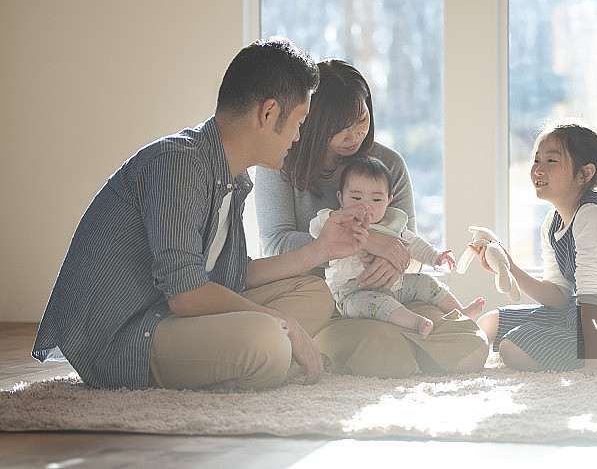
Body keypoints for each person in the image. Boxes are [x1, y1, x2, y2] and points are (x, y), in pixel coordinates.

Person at [32, 38, 373, 391]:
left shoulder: (231, 177)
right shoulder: (179, 164)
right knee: (268, 339)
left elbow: (233, 274)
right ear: (268, 113)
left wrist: (322, 250)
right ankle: (266, 363)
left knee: (314, 292)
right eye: (299, 122)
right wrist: (283, 324)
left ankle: (252, 366)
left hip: (171, 315)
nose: (299, 136)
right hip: (128, 337)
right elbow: (187, 294)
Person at [254, 59, 489, 377]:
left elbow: (409, 248)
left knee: (472, 348)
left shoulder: (388, 164)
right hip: (327, 296)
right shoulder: (281, 161)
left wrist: (395, 261)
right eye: (340, 126)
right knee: (385, 351)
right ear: (313, 121)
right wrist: (365, 242)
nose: (355, 134)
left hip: (391, 292)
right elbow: (276, 245)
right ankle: (393, 349)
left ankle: (408, 345)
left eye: (361, 119)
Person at [474, 122, 597, 376]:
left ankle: (593, 356)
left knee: (513, 346)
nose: (538, 169)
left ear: (584, 174)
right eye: (536, 160)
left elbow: (592, 298)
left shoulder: (593, 217)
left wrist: (594, 365)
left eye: (551, 161)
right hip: (584, 316)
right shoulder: (553, 222)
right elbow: (559, 296)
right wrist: (509, 268)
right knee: (491, 322)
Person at [310, 157, 486, 338]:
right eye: (356, 197)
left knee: (426, 282)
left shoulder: (393, 223)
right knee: (379, 303)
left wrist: (436, 257)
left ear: (388, 201)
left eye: (376, 199)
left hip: (395, 286)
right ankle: (416, 321)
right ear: (340, 197)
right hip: (352, 293)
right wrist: (340, 221)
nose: (366, 205)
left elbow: (414, 244)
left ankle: (461, 312)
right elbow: (314, 229)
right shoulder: (336, 220)